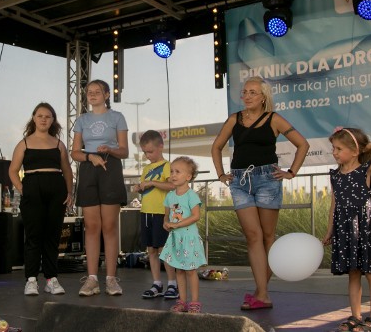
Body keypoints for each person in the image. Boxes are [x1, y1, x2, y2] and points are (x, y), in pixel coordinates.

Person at [211, 75, 309, 310]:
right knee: (252, 236)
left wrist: (291, 172)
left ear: (264, 96)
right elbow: (216, 146)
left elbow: (302, 144)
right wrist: (221, 174)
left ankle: (261, 292)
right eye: (244, 92)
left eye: (252, 92)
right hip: (239, 181)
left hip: (267, 179)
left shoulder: (273, 119)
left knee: (267, 236)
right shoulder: (234, 119)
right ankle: (262, 294)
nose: (246, 96)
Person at [322, 127, 371, 332]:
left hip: (365, 228)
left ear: (355, 151)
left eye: (339, 149)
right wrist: (330, 231)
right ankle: (355, 316)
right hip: (345, 228)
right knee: (353, 274)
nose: (334, 152)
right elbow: (334, 205)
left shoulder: (366, 170)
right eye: (333, 148)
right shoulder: (335, 175)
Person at [8, 102, 74, 296]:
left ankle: (51, 279)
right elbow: (12, 170)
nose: (44, 119)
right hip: (32, 188)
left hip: (56, 188)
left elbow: (67, 170)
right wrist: (22, 189)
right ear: (34, 118)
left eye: (48, 116)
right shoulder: (24, 143)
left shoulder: (58, 144)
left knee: (52, 236)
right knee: (34, 236)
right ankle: (31, 280)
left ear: (53, 120)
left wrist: (70, 193)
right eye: (40, 116)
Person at [71, 79, 128, 296]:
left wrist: (110, 150)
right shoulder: (82, 120)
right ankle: (92, 279)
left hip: (110, 167)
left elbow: (125, 151)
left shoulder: (117, 117)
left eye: (97, 91)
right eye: (89, 92)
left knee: (110, 226)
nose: (92, 95)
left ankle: (111, 279)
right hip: (89, 167)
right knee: (92, 226)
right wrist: (90, 156)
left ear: (106, 94)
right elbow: (74, 152)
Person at [132, 130, 178, 299]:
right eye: (145, 152)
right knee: (151, 249)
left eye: (150, 151)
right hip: (146, 212)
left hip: (161, 212)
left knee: (164, 249)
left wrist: (151, 182)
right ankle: (157, 283)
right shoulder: (146, 168)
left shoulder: (167, 166)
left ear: (161, 146)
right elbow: (146, 189)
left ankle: (173, 284)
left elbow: (171, 186)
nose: (148, 155)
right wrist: (139, 187)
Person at [159, 156, 206, 313]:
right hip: (176, 238)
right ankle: (182, 301)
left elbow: (195, 216)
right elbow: (166, 214)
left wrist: (177, 224)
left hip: (188, 238)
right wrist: (166, 222)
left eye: (177, 171)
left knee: (190, 270)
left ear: (188, 176)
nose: (173, 175)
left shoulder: (191, 195)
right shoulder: (170, 196)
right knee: (178, 269)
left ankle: (194, 301)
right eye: (172, 171)